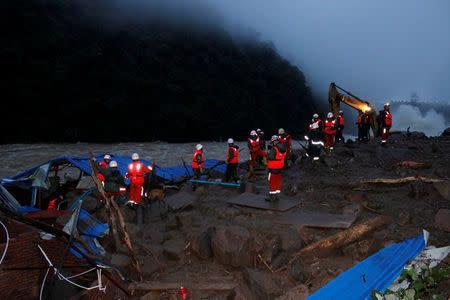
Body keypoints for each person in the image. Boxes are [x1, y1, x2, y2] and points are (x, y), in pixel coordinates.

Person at [266, 135, 287, 202]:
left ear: (274, 141)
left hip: (273, 167)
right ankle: (277, 196)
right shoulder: (284, 148)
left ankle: (272, 197)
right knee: (278, 181)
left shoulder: (274, 149)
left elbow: (270, 158)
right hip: (280, 167)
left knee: (272, 182)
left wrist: (268, 153)